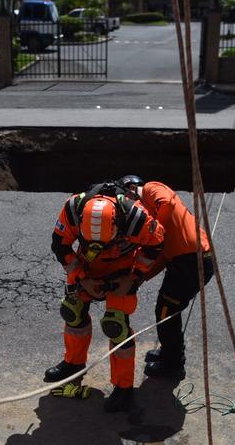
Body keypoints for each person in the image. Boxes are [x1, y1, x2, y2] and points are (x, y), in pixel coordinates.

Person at [45, 181, 165, 412]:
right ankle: (73, 365)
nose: (97, 245)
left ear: (118, 224)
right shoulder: (73, 208)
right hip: (85, 268)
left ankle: (123, 388)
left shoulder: (135, 217)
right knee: (72, 312)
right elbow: (60, 246)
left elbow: (156, 245)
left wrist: (134, 278)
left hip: (122, 272)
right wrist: (81, 278)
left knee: (116, 326)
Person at [118, 176, 213, 380]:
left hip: (192, 262)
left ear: (133, 188)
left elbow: (168, 203)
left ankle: (174, 364)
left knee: (167, 311)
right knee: (166, 310)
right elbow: (160, 257)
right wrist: (140, 278)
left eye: (128, 198)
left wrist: (153, 232)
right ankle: (169, 353)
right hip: (182, 263)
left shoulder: (152, 189)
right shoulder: (155, 219)